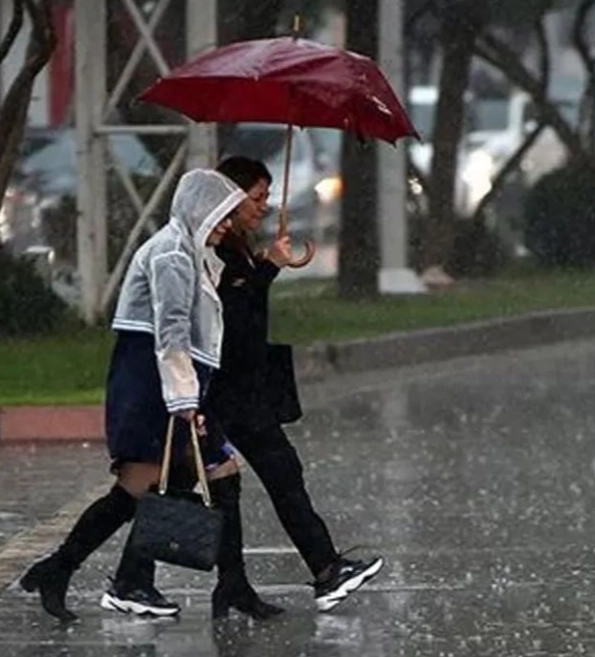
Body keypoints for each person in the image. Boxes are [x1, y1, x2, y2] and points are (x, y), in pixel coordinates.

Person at [19, 169, 278, 622]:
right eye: (219, 215)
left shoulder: (193, 254)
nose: (225, 225)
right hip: (152, 388)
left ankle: (218, 585)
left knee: (213, 478)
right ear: (198, 210)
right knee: (139, 489)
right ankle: (87, 573)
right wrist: (185, 402)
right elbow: (171, 334)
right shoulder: (172, 255)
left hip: (173, 386)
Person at [210, 156, 382, 612]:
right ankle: (123, 577)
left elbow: (244, 310)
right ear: (230, 196)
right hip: (227, 389)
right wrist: (266, 268)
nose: (264, 206)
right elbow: (232, 316)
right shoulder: (216, 248)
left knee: (260, 480)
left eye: (267, 197)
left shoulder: (237, 245)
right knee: (169, 486)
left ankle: (252, 582)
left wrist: (268, 263)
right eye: (258, 197)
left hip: (244, 387)